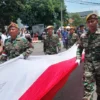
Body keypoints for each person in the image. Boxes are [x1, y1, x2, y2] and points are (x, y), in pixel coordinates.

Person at [76, 13, 100, 100]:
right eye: (88, 22)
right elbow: (79, 48)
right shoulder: (84, 36)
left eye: (92, 21)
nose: (90, 24)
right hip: (88, 67)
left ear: (97, 21)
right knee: (88, 90)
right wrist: (78, 58)